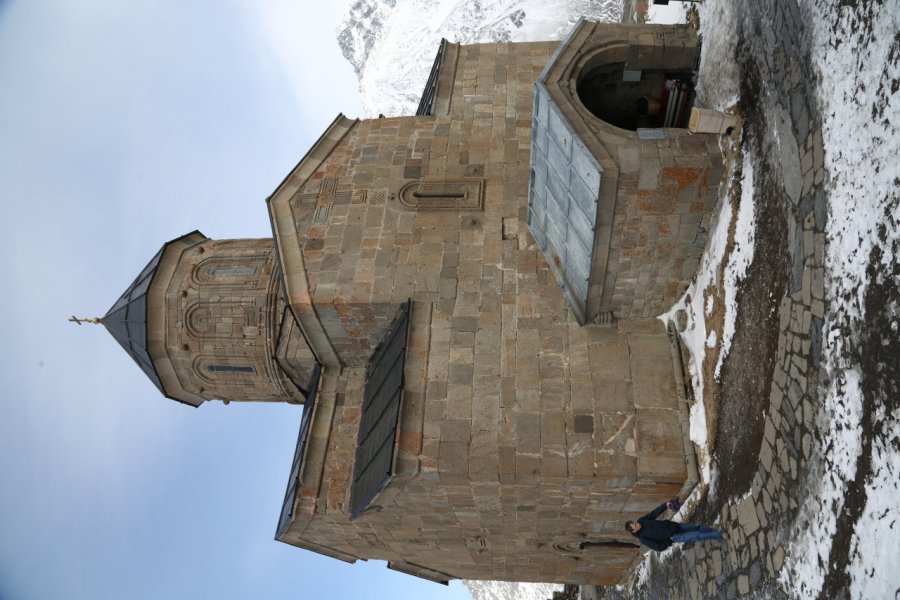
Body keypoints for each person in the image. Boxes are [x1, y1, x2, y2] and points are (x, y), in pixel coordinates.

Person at [625, 497, 724, 551]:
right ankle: (718, 535)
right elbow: (658, 547)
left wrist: (665, 505)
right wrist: (669, 540)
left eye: (634, 522)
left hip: (674, 526)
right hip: (674, 536)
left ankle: (712, 530)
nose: (637, 524)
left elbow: (654, 513)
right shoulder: (643, 539)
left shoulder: (642, 520)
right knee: (696, 535)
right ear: (634, 531)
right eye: (635, 526)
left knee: (696, 527)